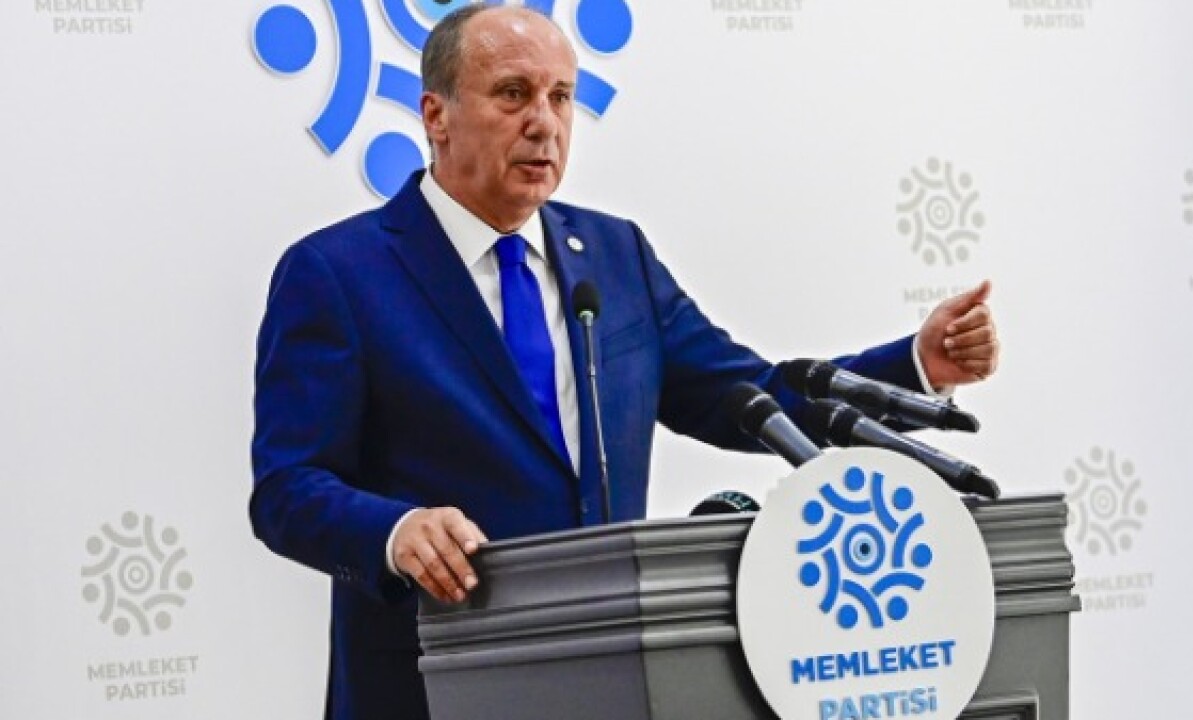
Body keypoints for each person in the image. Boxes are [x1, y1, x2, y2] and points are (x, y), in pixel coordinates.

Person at [250, 5, 1000, 719]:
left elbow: (751, 398)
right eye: (512, 94)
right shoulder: (340, 274)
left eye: (560, 96)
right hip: (431, 685)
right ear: (435, 115)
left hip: (611, 677)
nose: (543, 122)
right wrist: (396, 530)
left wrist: (915, 364)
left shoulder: (615, 257)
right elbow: (287, 488)